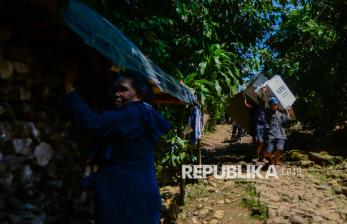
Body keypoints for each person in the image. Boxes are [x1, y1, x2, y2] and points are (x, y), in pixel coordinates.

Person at [64, 66, 171, 224]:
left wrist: (69, 87)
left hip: (128, 197)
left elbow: (93, 122)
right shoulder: (146, 113)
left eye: (123, 90)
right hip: (141, 193)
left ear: (138, 94)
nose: (117, 93)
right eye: (116, 89)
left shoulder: (132, 113)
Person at [264, 96, 292, 165]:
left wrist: (288, 114)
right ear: (270, 106)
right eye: (273, 105)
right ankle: (271, 160)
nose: (274, 106)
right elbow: (262, 104)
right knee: (268, 151)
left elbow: (286, 122)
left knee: (279, 149)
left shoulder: (281, 114)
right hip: (271, 135)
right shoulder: (267, 113)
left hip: (281, 135)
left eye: (275, 104)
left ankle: (275, 163)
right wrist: (264, 93)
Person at [245, 87, 267, 162]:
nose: (263, 100)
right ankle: (256, 155)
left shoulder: (265, 107)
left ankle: (262, 157)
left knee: (263, 142)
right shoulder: (256, 107)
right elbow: (246, 105)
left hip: (264, 126)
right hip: (257, 126)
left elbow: (263, 100)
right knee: (260, 141)